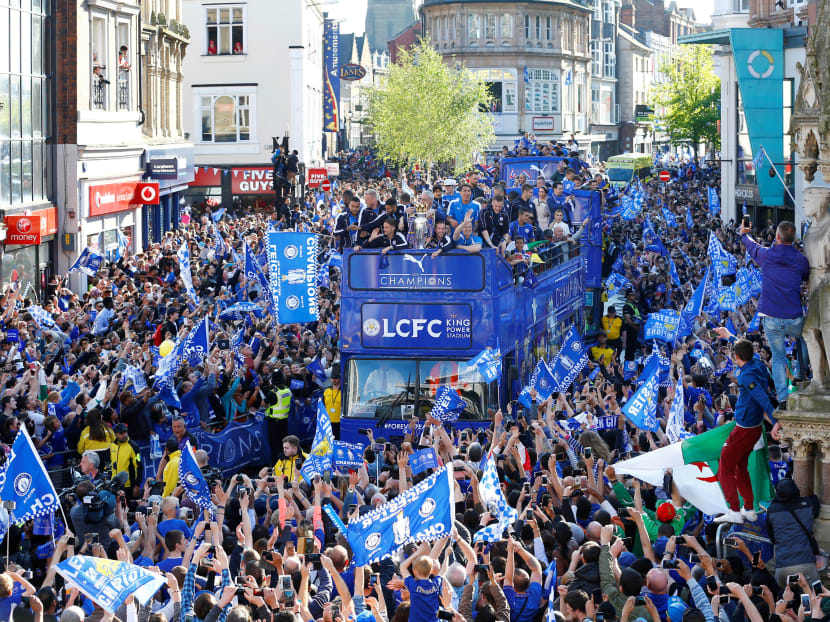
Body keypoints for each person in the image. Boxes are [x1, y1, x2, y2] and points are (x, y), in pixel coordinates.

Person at [739, 220, 810, 408]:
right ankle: (799, 374)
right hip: (794, 317)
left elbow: (752, 246)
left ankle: (783, 399)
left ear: (777, 237)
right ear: (793, 239)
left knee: (778, 358)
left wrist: (744, 233)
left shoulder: (767, 255)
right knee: (807, 338)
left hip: (770, 317)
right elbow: (805, 274)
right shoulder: (800, 259)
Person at [714, 339, 780, 524]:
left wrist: (775, 422)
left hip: (744, 430)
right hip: (754, 429)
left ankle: (734, 510)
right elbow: (748, 349)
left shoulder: (746, 377)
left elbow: (762, 398)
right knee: (740, 466)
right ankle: (749, 508)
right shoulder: (758, 364)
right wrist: (728, 335)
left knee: (724, 467)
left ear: (736, 357)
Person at [766, 478, 821, 585]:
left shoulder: (772, 510)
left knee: (786, 600)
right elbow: (815, 505)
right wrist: (811, 494)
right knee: (814, 599)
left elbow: (772, 537)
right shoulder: (808, 504)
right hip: (806, 564)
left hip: (783, 567)